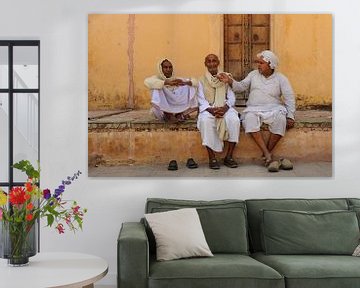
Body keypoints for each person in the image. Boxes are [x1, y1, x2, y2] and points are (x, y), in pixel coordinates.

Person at [218, 50, 296, 172]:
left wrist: (290, 116)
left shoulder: (281, 79)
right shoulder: (253, 74)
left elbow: (289, 97)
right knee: (249, 119)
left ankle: (267, 155)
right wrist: (230, 81)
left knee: (281, 119)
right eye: (258, 63)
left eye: (261, 63)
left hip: (274, 108)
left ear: (271, 64)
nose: (258, 65)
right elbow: (241, 86)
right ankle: (267, 155)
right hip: (253, 108)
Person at [197, 54, 240, 169]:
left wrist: (225, 108)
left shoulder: (225, 77)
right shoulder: (201, 80)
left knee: (234, 120)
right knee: (205, 122)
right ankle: (212, 158)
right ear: (205, 64)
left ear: (218, 63)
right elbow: (201, 99)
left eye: (214, 61)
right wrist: (211, 110)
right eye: (209, 61)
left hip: (225, 108)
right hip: (209, 109)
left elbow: (231, 97)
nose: (211, 64)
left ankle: (229, 157)